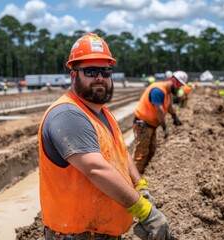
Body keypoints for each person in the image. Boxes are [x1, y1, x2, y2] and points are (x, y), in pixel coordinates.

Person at [38, 33, 170, 240]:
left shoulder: (104, 113)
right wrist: (144, 211)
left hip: (102, 231)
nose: (99, 77)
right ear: (74, 75)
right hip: (75, 234)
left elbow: (120, 152)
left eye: (105, 71)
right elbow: (95, 169)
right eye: (90, 71)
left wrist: (139, 185)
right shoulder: (68, 114)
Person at [133, 70, 188, 174]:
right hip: (143, 124)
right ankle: (133, 180)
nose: (179, 87)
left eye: (181, 85)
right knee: (141, 153)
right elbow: (159, 110)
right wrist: (164, 127)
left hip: (150, 125)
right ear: (173, 80)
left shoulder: (167, 92)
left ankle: (141, 174)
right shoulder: (158, 90)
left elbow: (168, 106)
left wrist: (175, 117)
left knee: (151, 151)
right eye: (179, 84)